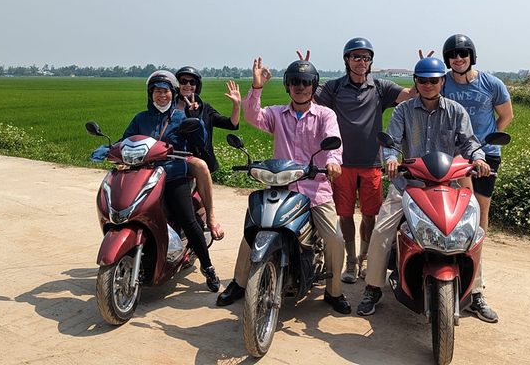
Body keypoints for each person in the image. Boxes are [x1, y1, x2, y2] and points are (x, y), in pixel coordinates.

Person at [356, 57, 490, 316]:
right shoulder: (403, 111)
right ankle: (373, 287)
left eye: (434, 80)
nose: (428, 85)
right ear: (416, 82)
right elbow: (391, 142)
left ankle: (475, 292)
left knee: (472, 233)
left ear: (442, 81)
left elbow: (469, 142)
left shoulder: (456, 111)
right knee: (382, 230)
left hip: (446, 185)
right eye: (423, 80)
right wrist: (392, 161)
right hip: (408, 184)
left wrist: (479, 159)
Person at [217, 58, 352, 314]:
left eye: (305, 82)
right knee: (253, 230)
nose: (300, 87)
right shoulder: (277, 114)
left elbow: (334, 141)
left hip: (315, 190)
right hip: (282, 188)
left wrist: (333, 162)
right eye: (295, 82)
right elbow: (252, 116)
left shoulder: (325, 115)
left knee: (334, 238)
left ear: (313, 86)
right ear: (287, 86)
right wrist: (256, 89)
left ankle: (334, 292)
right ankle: (240, 282)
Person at [308, 38, 416, 284]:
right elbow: (307, 96)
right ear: (346, 59)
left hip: (371, 163)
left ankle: (365, 257)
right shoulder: (334, 88)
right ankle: (351, 260)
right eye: (356, 56)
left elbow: (410, 95)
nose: (361, 61)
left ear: (370, 61)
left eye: (365, 57)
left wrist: (421, 72)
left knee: (370, 215)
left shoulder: (380, 87)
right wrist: (306, 69)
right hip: (341, 164)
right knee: (344, 215)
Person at [122, 70, 221, 292]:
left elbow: (200, 140)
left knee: (188, 219)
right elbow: (125, 140)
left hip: (173, 176)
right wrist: (111, 152)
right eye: (157, 91)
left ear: (172, 93)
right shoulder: (140, 119)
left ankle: (208, 268)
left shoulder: (179, 117)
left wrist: (195, 118)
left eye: (166, 91)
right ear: (151, 94)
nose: (162, 95)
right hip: (145, 176)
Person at [441, 34, 513, 323]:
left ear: (471, 55)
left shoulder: (491, 84)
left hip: (485, 157)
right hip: (449, 158)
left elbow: (505, 116)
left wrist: (484, 142)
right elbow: (417, 95)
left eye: (463, 53)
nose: (458, 58)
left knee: (479, 218)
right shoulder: (441, 82)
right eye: (453, 54)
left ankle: (476, 290)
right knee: (448, 215)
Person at [174, 66, 241, 240]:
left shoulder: (205, 108)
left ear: (198, 85)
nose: (188, 85)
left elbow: (231, 124)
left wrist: (236, 105)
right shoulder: (169, 107)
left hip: (198, 160)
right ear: (177, 84)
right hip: (173, 158)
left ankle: (211, 217)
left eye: (192, 82)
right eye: (183, 81)